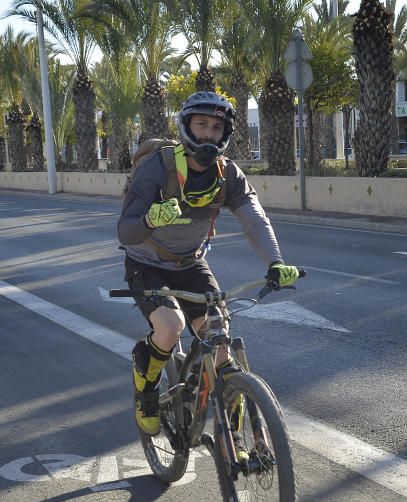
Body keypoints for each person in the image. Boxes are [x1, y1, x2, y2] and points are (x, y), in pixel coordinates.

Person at [117, 91, 300, 435]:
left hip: (191, 264)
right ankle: (146, 387)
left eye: (217, 127)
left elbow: (254, 219)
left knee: (219, 338)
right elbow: (125, 232)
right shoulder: (158, 168)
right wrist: (149, 221)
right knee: (170, 328)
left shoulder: (226, 173)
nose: (208, 134)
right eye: (201, 124)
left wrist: (276, 262)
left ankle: (232, 439)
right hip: (147, 264)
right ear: (186, 125)